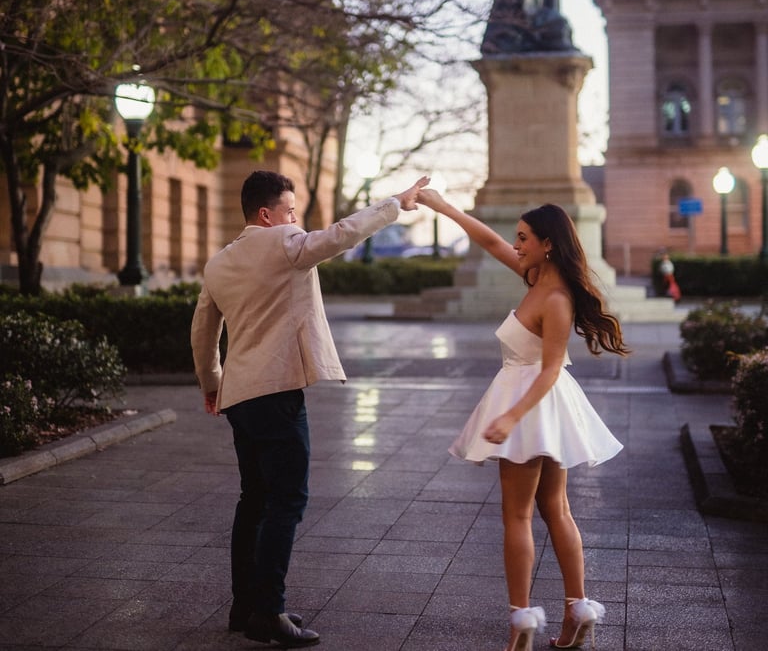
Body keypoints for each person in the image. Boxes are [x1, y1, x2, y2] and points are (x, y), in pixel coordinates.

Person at [191, 170, 428, 648]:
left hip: (239, 395)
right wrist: (394, 204)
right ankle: (269, 613)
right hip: (277, 393)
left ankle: (246, 607)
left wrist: (213, 384)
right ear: (267, 214)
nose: (296, 218)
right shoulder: (284, 242)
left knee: (252, 501)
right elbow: (340, 236)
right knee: (287, 501)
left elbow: (202, 332)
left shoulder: (219, 263)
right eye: (290, 209)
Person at [416, 190, 628, 651]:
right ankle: (576, 612)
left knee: (518, 514)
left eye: (524, 238)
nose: (516, 245)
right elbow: (490, 243)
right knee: (557, 510)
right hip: (543, 405)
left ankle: (521, 621)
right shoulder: (536, 279)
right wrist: (443, 207)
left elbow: (551, 367)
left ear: (547, 243)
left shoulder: (554, 297)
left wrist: (511, 417)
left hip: (532, 401)